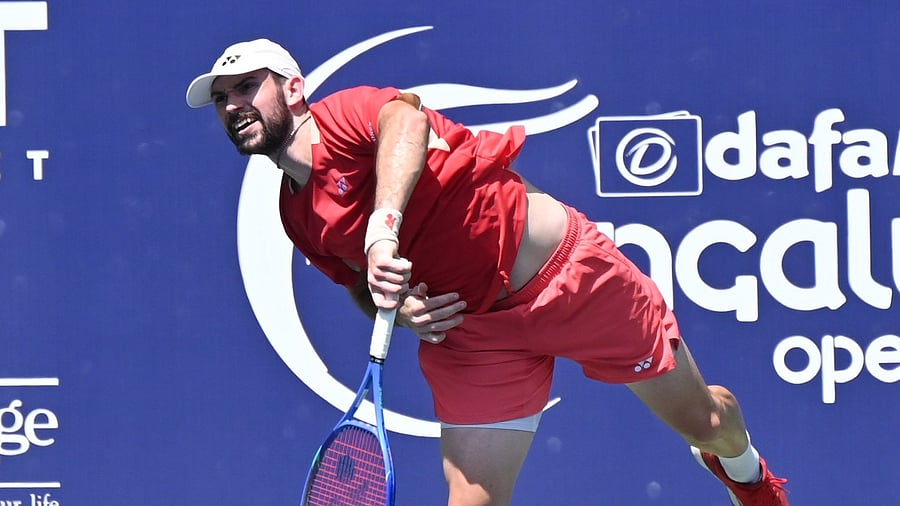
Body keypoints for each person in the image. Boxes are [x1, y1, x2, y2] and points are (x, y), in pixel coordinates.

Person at [186, 38, 789, 506]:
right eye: (222, 99)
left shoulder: (344, 115)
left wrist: (382, 226)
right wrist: (400, 309)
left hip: (568, 278)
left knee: (705, 422)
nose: (233, 105)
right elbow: (363, 286)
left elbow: (406, 124)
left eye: (247, 87)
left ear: (293, 88)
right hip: (473, 337)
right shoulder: (295, 215)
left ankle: (745, 473)